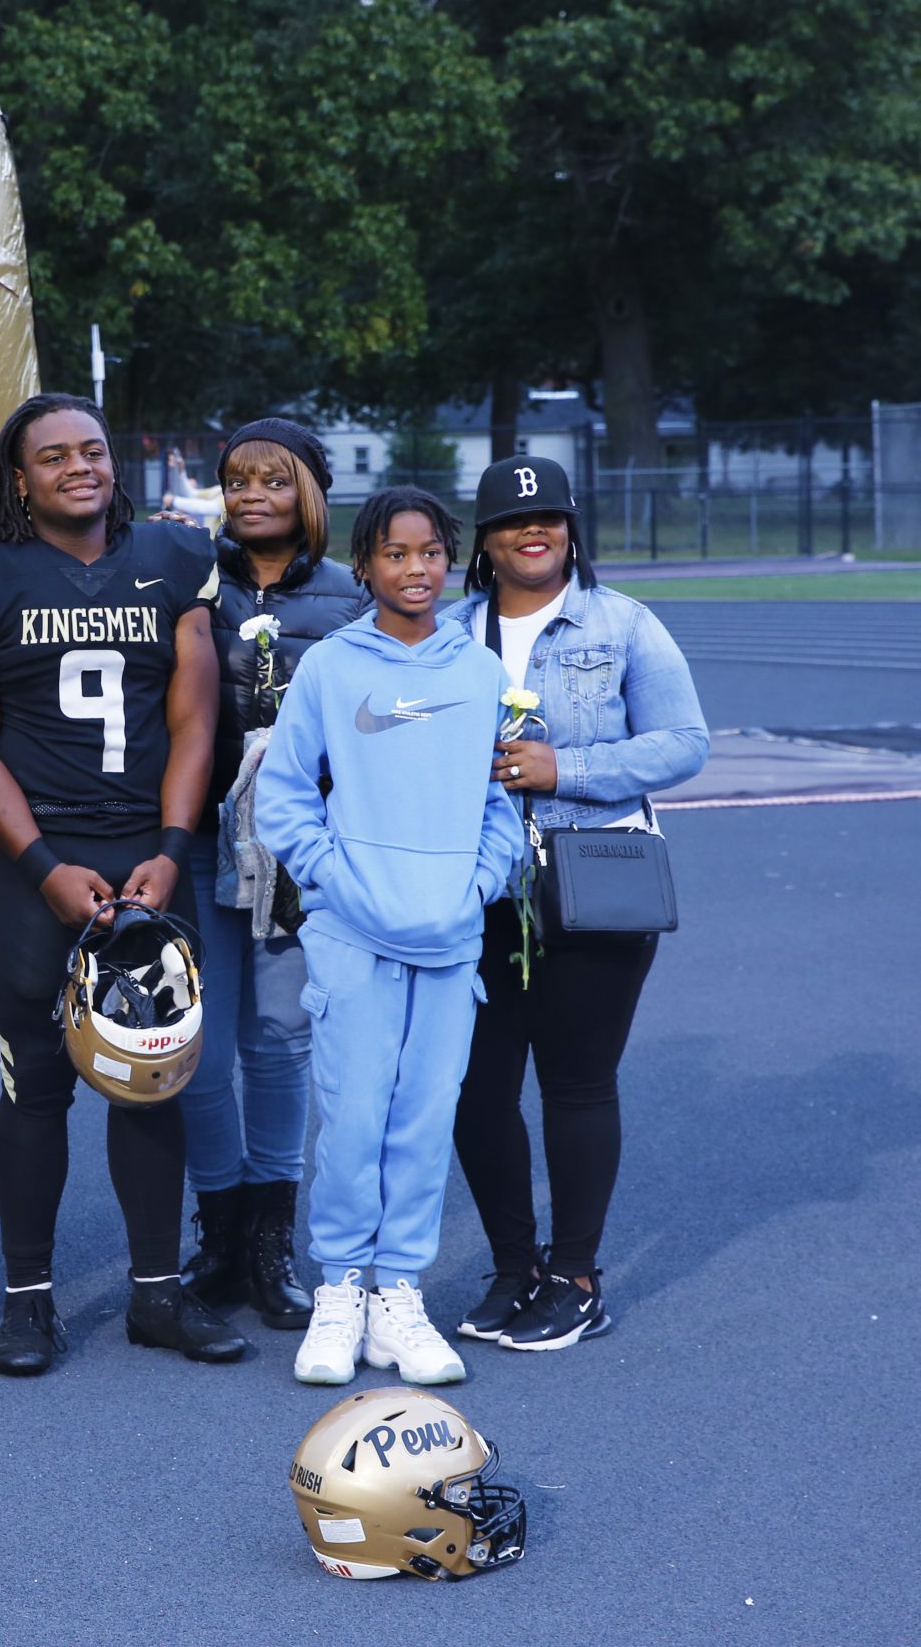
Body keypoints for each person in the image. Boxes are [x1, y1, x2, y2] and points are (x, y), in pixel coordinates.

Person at [0, 392, 246, 1376]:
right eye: (54, 455)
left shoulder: (176, 557)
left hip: (146, 849)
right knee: (35, 1081)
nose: (80, 467)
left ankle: (157, 1293)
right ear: (19, 478)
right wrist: (40, 866)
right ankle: (27, 1302)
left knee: (151, 1072)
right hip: (37, 858)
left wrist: (173, 847)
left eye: (94, 450)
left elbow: (194, 721)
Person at [255, 486, 524, 1388]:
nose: (416, 570)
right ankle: (340, 1291)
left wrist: (474, 887)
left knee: (424, 1120)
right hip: (353, 934)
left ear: (452, 560)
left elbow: (498, 807)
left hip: (449, 937)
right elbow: (283, 796)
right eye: (395, 554)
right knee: (354, 1117)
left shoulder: (479, 672)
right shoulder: (332, 668)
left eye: (431, 553)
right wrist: (337, 880)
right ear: (363, 566)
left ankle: (398, 1297)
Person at [443, 456, 708, 1351]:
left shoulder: (623, 623)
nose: (534, 531)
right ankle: (515, 1267)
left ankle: (577, 1278)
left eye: (550, 518)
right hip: (478, 887)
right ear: (485, 541)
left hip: (597, 876)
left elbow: (684, 743)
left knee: (577, 1084)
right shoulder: (451, 633)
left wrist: (569, 768)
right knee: (477, 1090)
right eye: (514, 521)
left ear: (569, 530)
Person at [179, 420, 366, 1329]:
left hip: (296, 846)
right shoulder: (190, 580)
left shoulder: (350, 596)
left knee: (279, 1041)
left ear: (310, 492)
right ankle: (217, 1236)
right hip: (199, 837)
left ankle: (269, 1243)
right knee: (200, 1050)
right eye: (237, 480)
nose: (253, 496)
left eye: (275, 480)